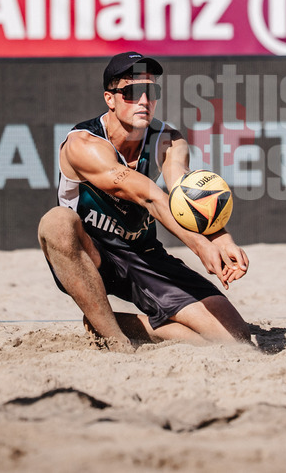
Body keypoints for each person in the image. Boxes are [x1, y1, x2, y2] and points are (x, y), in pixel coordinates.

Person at [38, 53, 252, 348]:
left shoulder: (169, 140)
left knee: (234, 338)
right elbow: (149, 196)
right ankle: (114, 338)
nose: (143, 100)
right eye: (130, 92)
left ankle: (125, 325)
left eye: (151, 92)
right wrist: (201, 245)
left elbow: (188, 197)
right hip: (95, 255)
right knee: (56, 222)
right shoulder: (83, 144)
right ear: (109, 99)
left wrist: (221, 239)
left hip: (144, 254)